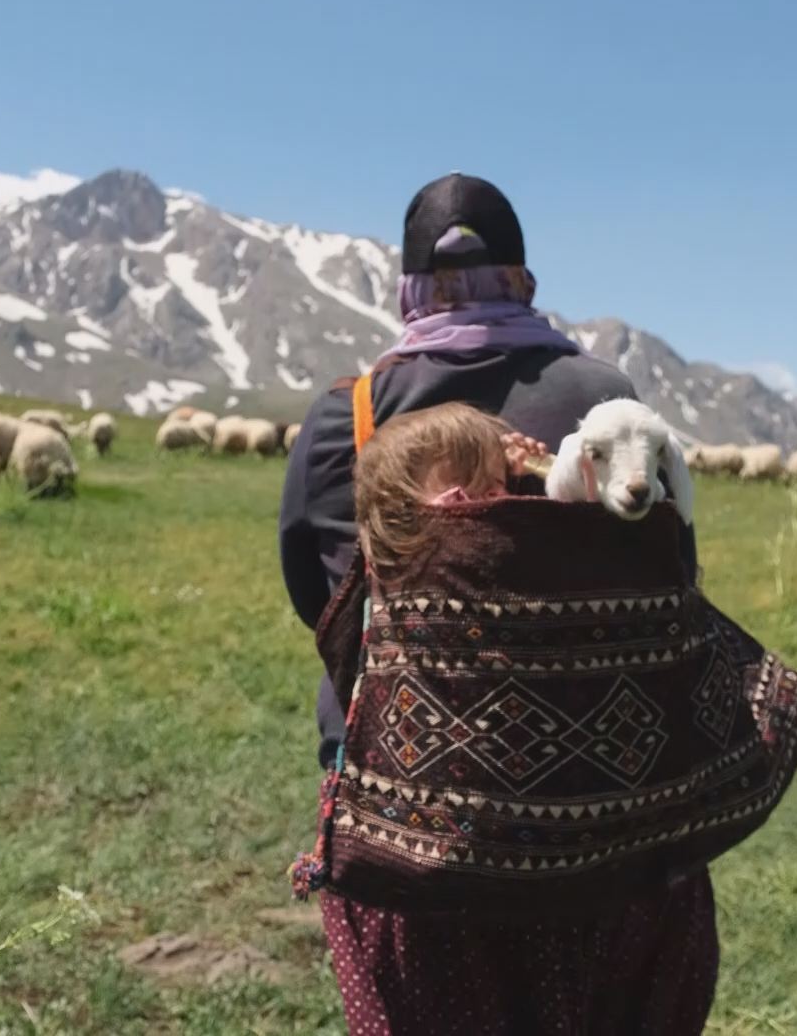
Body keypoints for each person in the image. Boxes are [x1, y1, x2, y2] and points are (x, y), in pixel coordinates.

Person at [279, 175, 714, 1035]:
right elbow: (676, 570)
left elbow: (320, 597)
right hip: (609, 819)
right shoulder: (604, 398)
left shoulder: (350, 415)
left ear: (409, 291)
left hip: (415, 835)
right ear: (523, 281)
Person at [352, 402, 548, 581]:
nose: (496, 495)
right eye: (467, 481)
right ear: (400, 508)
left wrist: (535, 473)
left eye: (500, 482)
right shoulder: (412, 581)